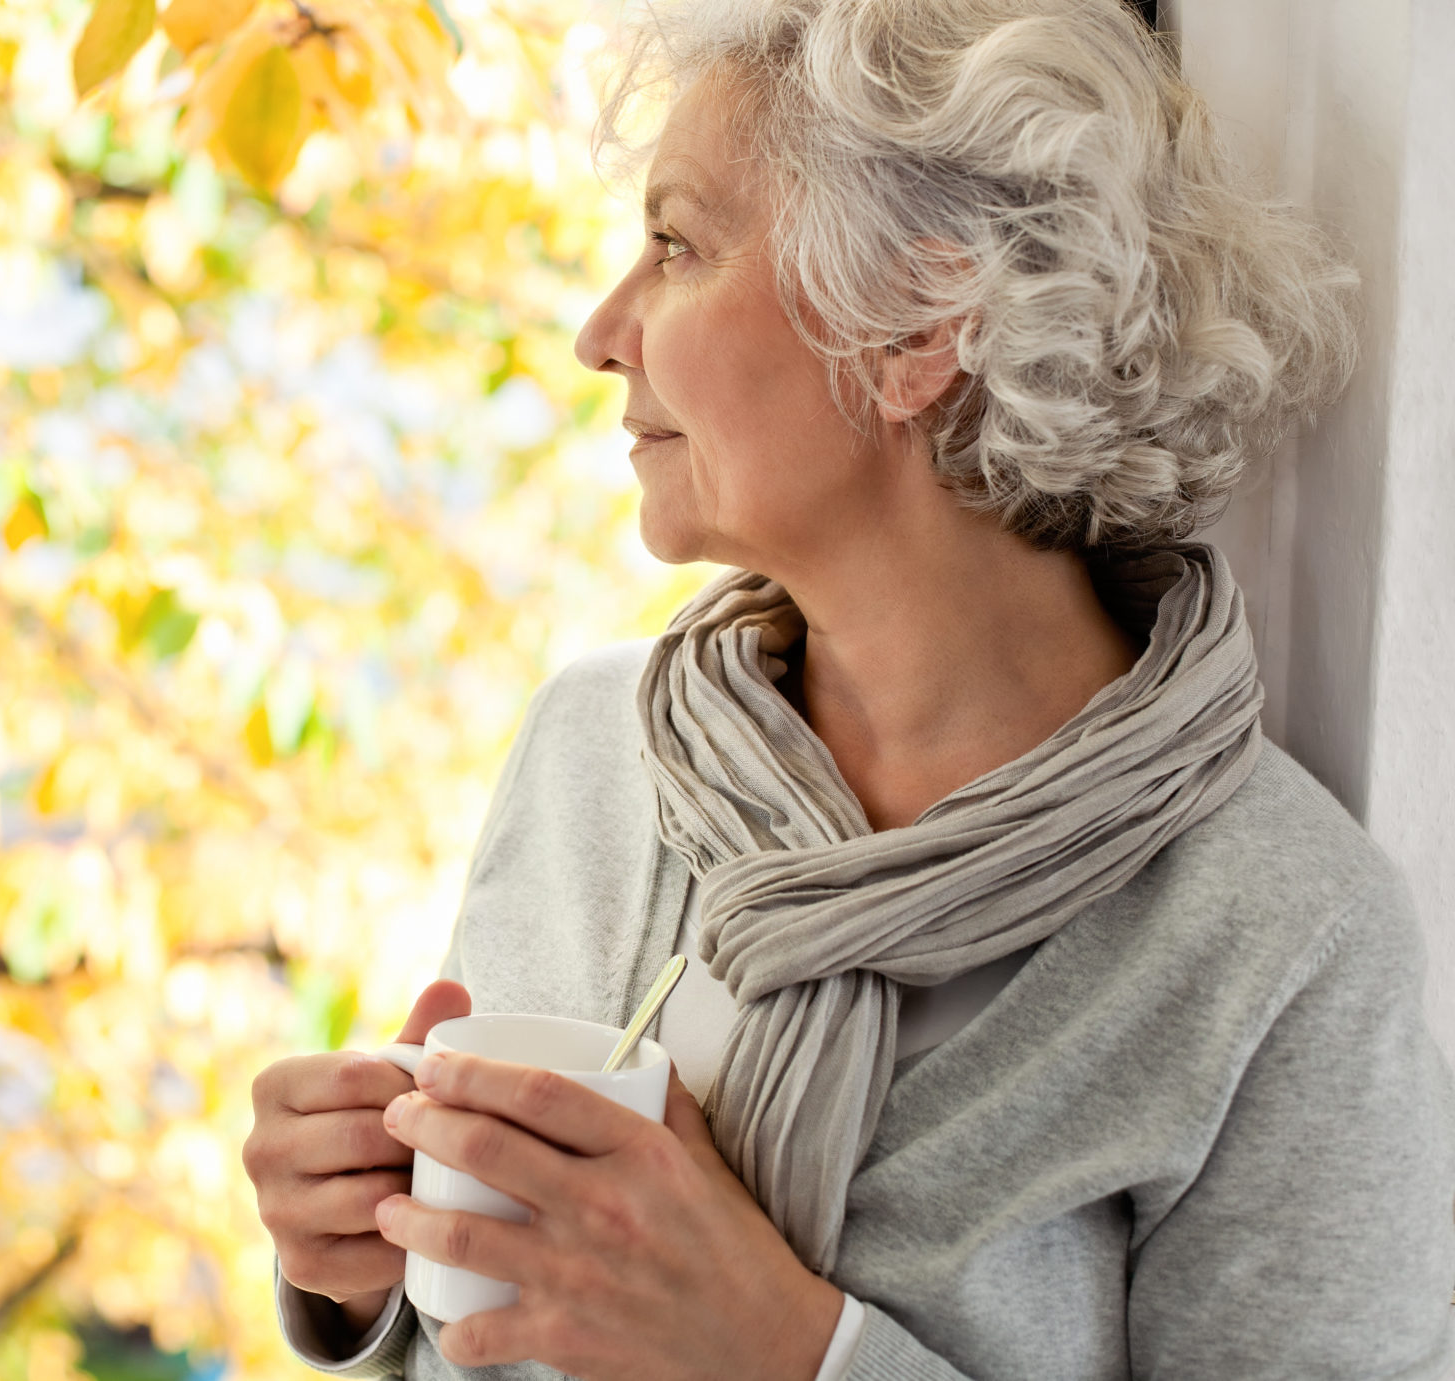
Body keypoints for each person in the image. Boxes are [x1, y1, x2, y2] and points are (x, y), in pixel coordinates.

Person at [240, 0, 1455, 1375]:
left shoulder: (1277, 943)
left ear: (918, 325)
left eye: (675, 244)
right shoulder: (594, 751)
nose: (600, 331)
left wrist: (792, 1351)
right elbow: (477, 1327)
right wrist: (363, 1271)